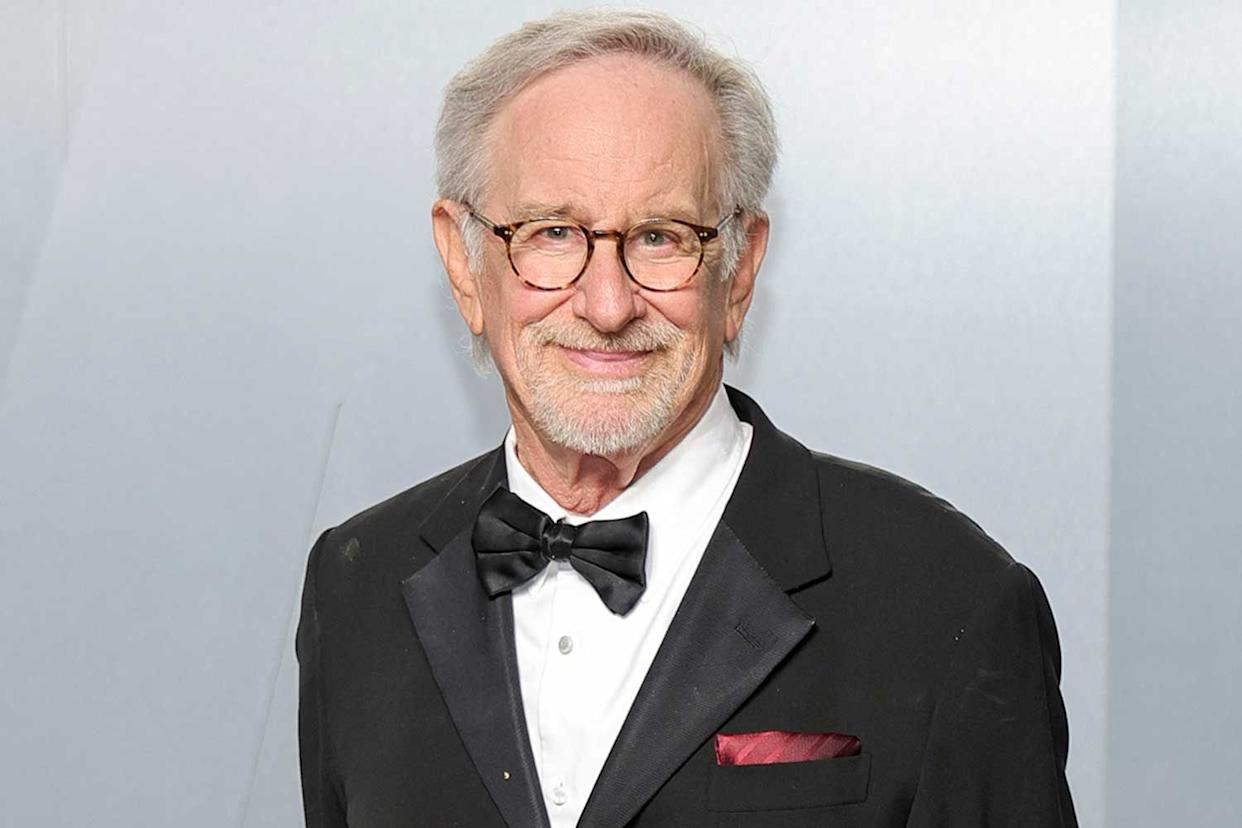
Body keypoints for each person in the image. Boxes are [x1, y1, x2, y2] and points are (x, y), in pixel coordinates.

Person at [296, 9, 1078, 827]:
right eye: (553, 232)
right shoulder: (356, 589)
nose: (607, 305)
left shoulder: (947, 597)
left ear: (738, 273)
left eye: (662, 237)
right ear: (465, 265)